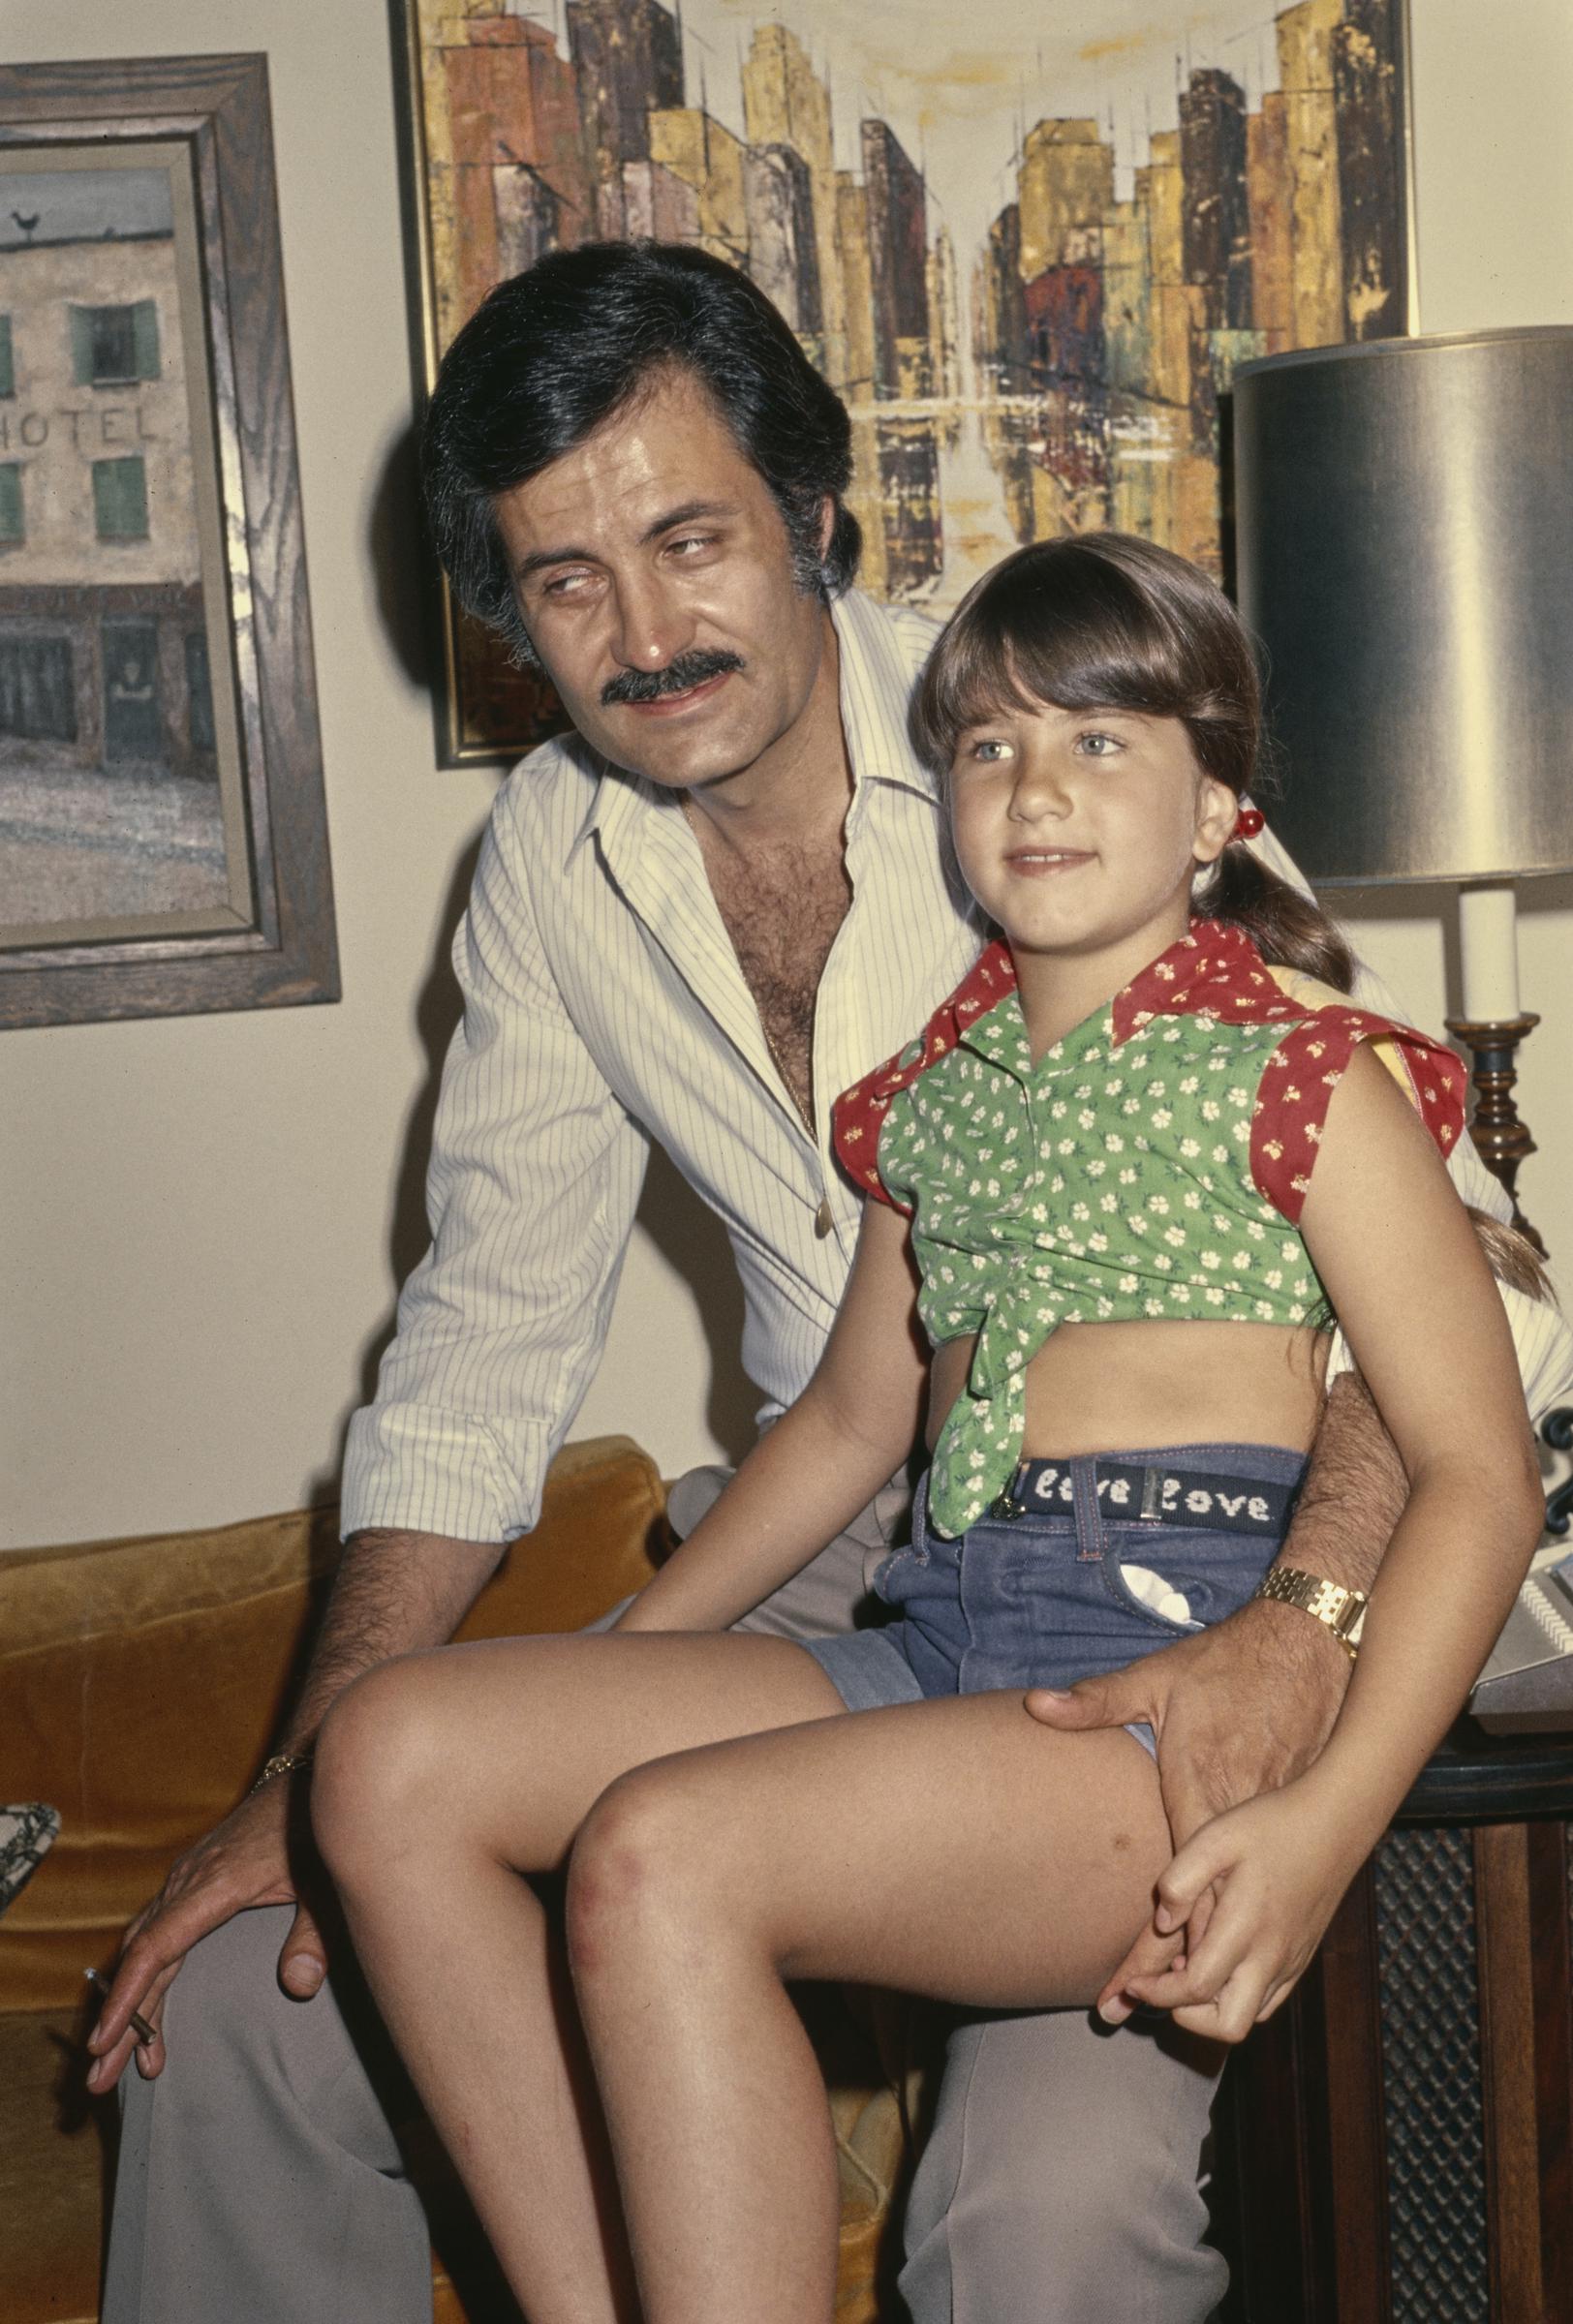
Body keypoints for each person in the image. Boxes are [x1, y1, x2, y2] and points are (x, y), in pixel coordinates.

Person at [89, 245, 1569, 2324]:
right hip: (846, 1517)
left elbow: (1459, 1309)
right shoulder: (549, 863)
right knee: (252, 1982)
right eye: (563, 578)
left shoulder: (1069, 731)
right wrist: (355, 1752)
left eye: (688, 539)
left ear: (806, 517)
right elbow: (484, 1347)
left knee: (1030, 2232)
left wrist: (1297, 1633)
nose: (645, 629)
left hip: (1203, 1553)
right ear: (509, 622)